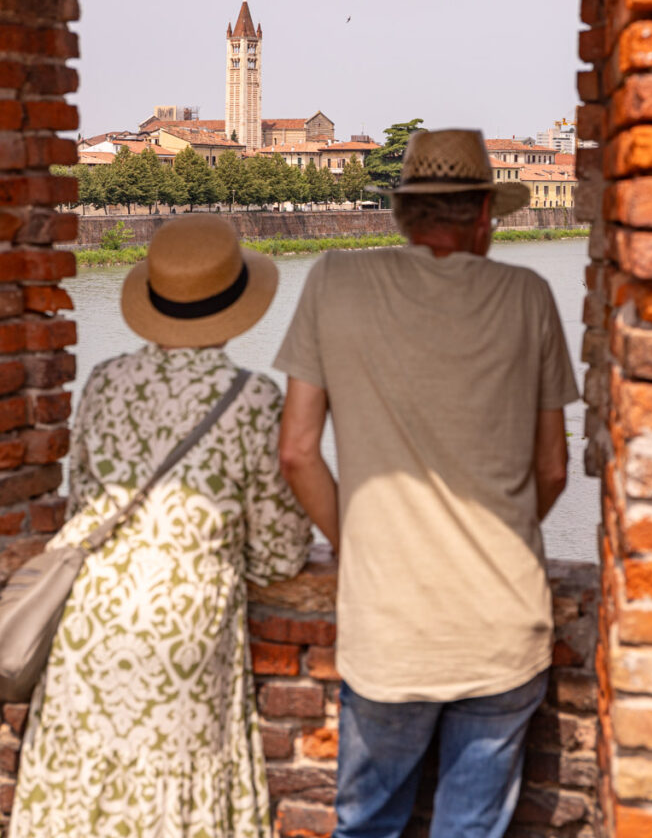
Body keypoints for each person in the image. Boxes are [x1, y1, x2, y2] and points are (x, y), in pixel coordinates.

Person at [274, 129, 579, 838]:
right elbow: (553, 468)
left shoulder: (332, 280)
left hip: (388, 625)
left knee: (367, 826)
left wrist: (358, 542)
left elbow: (296, 453)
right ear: (481, 215)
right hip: (502, 621)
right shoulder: (527, 294)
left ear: (403, 214)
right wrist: (498, 535)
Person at [9, 215, 311, 838]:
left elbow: (85, 501)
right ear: (237, 303)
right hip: (185, 625)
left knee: (84, 788)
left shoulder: (104, 381)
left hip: (90, 616)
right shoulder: (251, 399)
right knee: (174, 791)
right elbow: (279, 552)